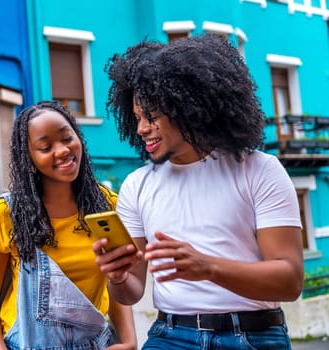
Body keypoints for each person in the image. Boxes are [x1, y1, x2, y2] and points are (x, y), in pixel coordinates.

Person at [92, 35, 304, 350]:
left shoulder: (259, 170)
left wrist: (207, 267)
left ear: (186, 107)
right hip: (170, 335)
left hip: (252, 336)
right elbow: (132, 292)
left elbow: (290, 280)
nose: (141, 129)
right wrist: (118, 277)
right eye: (136, 118)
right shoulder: (137, 185)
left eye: (151, 116)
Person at [0, 100, 137, 349]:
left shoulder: (107, 206)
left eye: (66, 138)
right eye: (45, 146)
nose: (61, 151)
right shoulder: (6, 215)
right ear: (29, 159)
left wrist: (129, 341)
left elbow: (117, 278)